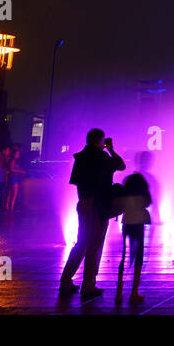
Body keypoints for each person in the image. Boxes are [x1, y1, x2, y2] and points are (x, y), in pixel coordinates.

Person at [59, 128, 125, 298]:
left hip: (83, 203)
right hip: (99, 205)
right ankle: (88, 285)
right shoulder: (101, 156)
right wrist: (110, 149)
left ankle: (65, 281)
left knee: (81, 243)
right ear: (99, 141)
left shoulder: (80, 157)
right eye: (103, 141)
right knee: (94, 245)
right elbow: (121, 165)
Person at [117, 171, 152, 305]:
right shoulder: (142, 195)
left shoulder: (125, 195)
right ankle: (134, 292)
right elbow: (148, 203)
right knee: (138, 257)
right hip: (138, 224)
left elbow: (120, 207)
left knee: (124, 256)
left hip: (126, 223)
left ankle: (119, 292)